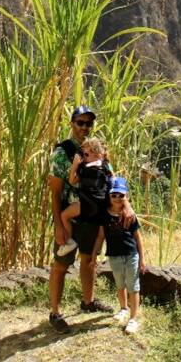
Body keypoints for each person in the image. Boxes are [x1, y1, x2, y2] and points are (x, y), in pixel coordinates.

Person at [46, 105, 134, 333]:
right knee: (61, 264)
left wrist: (127, 206)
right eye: (80, 123)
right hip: (72, 215)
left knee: (89, 260)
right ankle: (55, 313)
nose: (84, 127)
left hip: (94, 217)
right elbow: (55, 192)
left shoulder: (97, 150)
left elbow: (113, 180)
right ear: (72, 124)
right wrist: (59, 225)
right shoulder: (62, 152)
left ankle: (88, 301)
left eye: (88, 123)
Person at [95, 176, 145, 335]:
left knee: (133, 286)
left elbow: (138, 237)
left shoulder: (130, 215)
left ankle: (133, 318)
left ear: (126, 196)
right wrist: (94, 255)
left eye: (121, 195)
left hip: (131, 254)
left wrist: (142, 259)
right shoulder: (105, 215)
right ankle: (123, 308)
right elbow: (101, 236)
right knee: (120, 284)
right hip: (114, 255)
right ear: (109, 196)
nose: (117, 198)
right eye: (114, 195)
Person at [56, 137, 111, 256]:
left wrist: (75, 166)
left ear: (97, 154)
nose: (84, 158)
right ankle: (96, 252)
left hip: (87, 204)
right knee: (100, 232)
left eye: (86, 155)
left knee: (64, 215)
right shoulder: (105, 167)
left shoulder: (84, 169)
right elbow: (113, 181)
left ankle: (70, 242)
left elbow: (72, 181)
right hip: (100, 208)